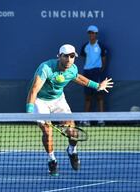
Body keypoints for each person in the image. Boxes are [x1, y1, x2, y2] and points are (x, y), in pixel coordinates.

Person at [26, 44, 113, 176]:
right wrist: (29, 111)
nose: (69, 59)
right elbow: (34, 90)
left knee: (73, 132)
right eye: (66, 56)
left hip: (58, 100)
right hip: (40, 100)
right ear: (59, 56)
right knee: (47, 132)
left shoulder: (72, 69)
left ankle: (72, 151)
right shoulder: (46, 68)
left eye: (72, 56)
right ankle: (52, 160)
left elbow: (78, 78)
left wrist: (97, 86)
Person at [80, 25, 108, 126]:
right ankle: (86, 120)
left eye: (93, 33)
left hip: (97, 72)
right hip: (87, 72)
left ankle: (101, 119)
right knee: (87, 97)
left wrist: (100, 69)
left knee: (100, 96)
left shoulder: (101, 46)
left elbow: (104, 59)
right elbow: (84, 58)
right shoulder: (85, 46)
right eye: (90, 33)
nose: (91, 34)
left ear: (96, 34)